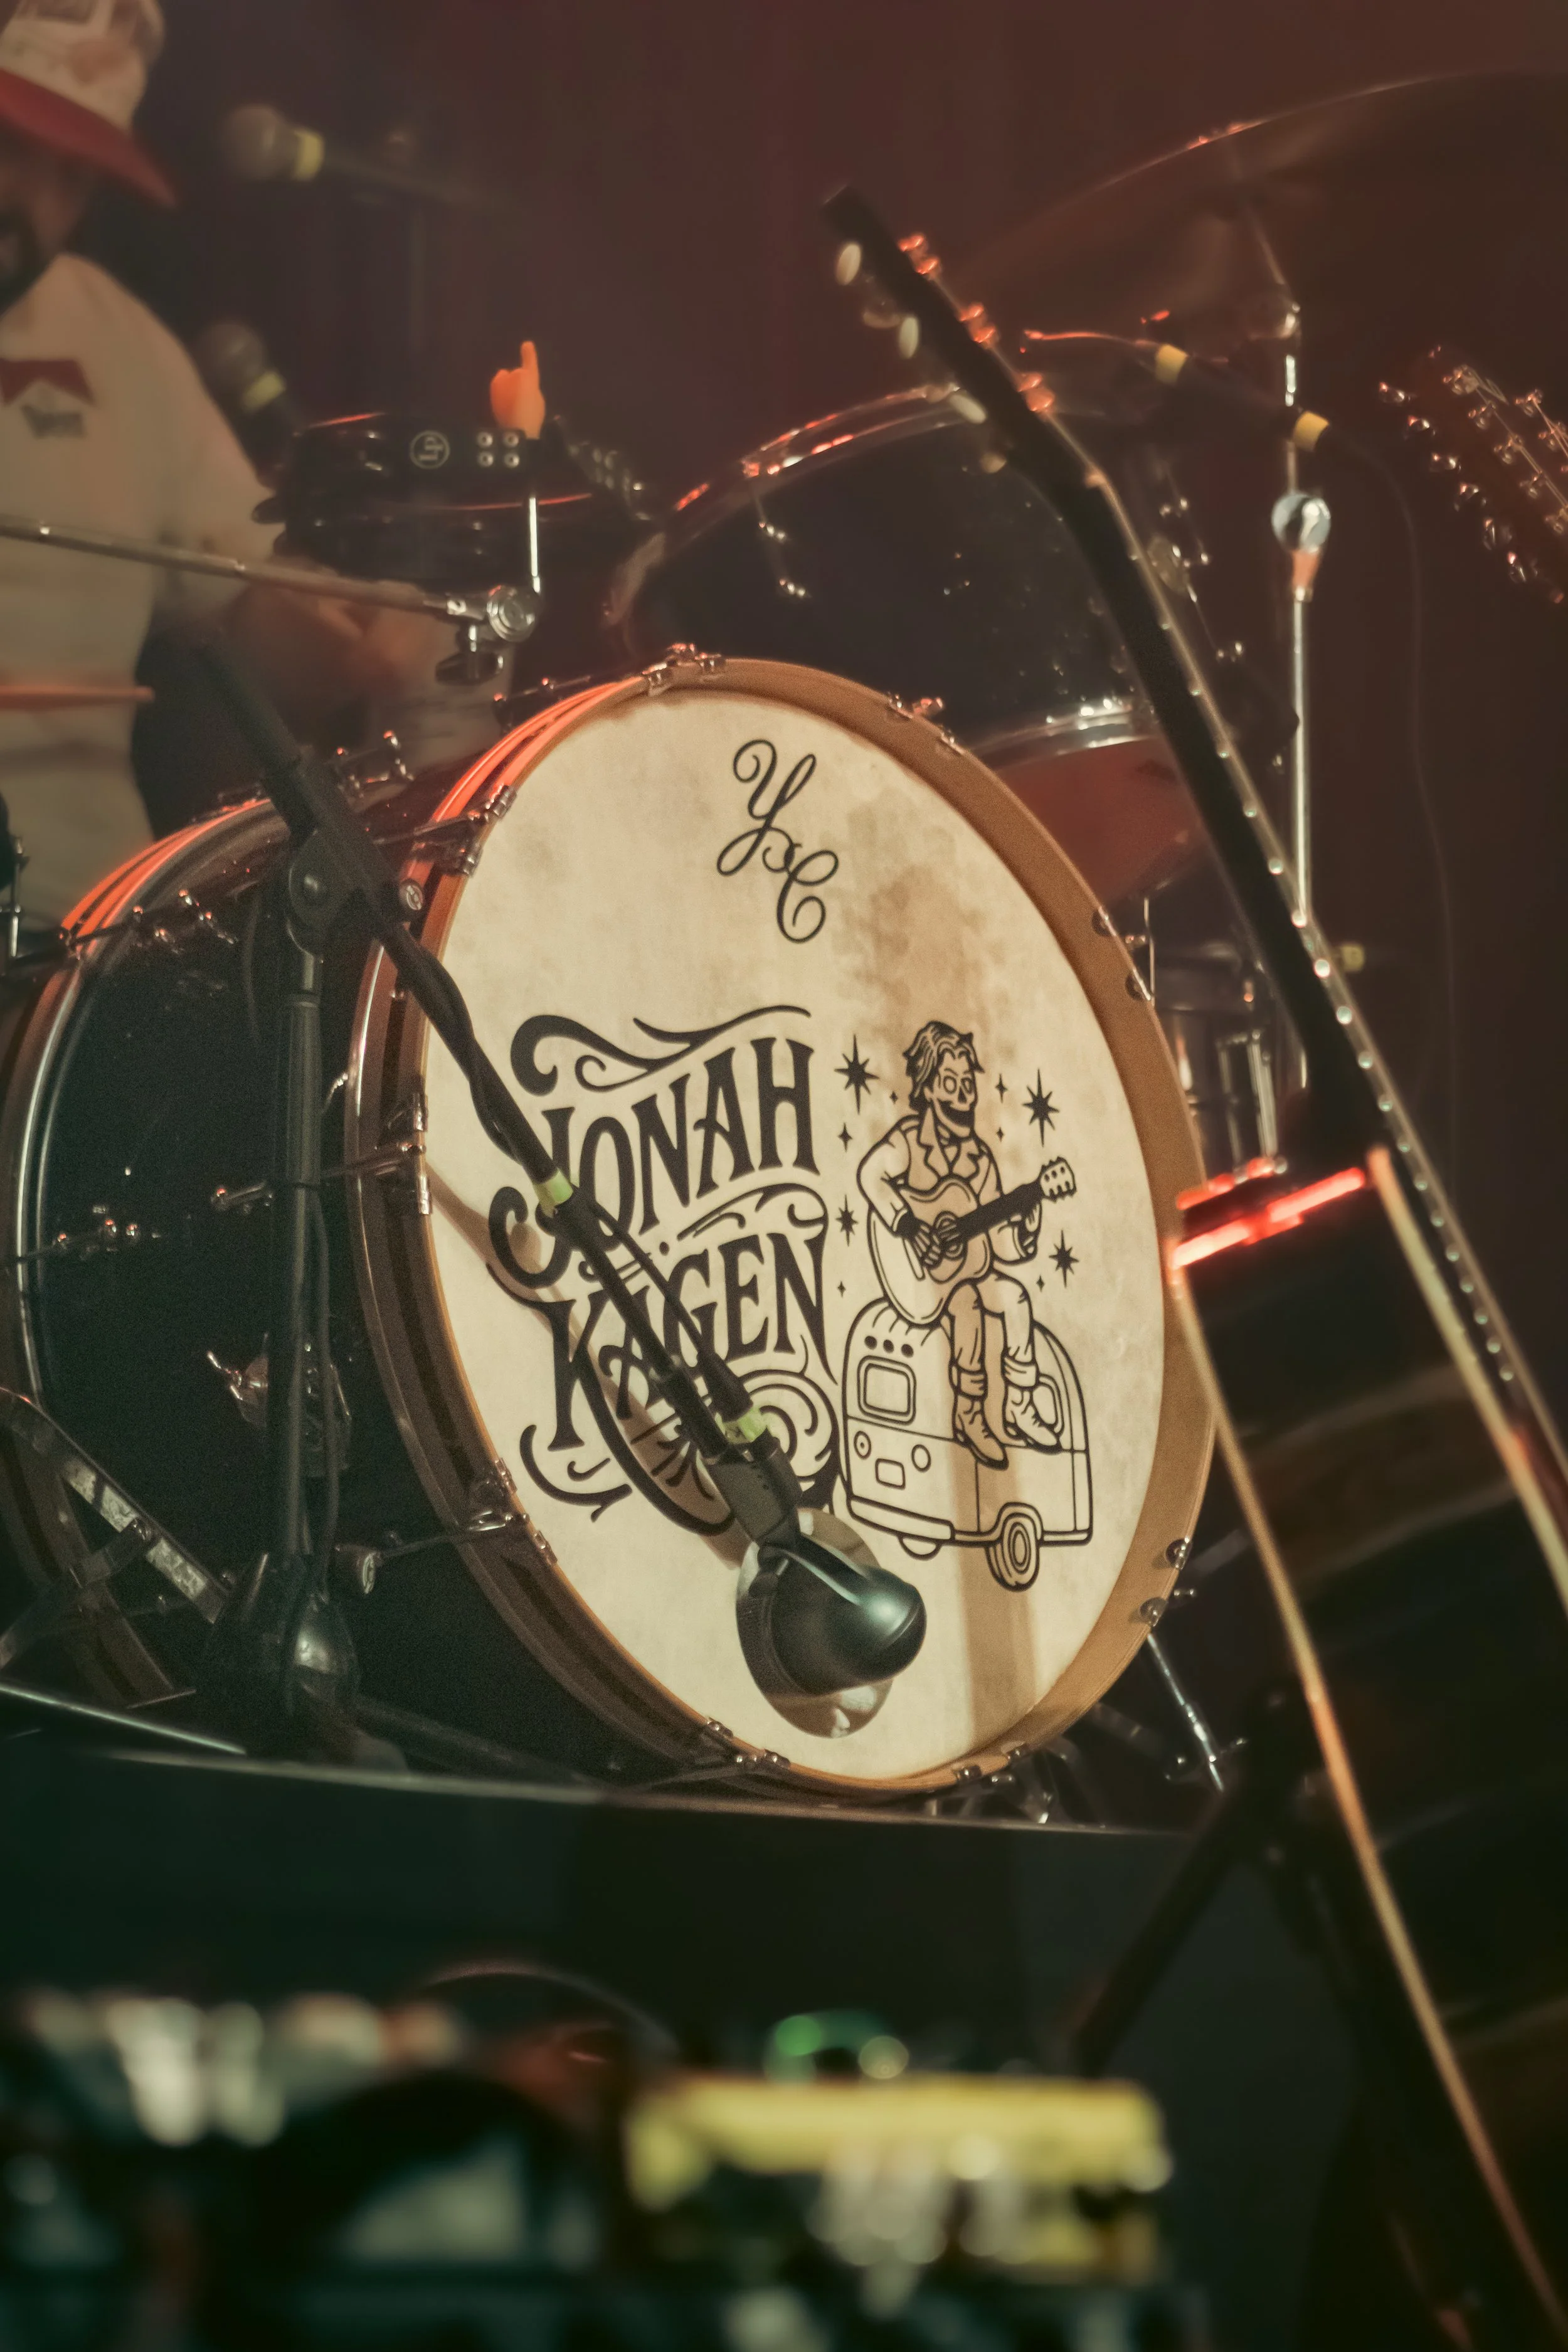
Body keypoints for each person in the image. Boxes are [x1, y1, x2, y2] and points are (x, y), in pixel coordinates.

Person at [0, 0, 435, 925]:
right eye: (8, 144)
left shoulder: (116, 343)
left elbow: (241, 610)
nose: (28, 204)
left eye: (71, 176)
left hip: (80, 944)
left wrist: (346, 635)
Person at [857, 1019, 1059, 1468]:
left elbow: (1003, 1247)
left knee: (1015, 1297)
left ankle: (1019, 1404)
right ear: (928, 1089)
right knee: (966, 1300)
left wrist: (1028, 1212)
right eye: (950, 1082)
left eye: (968, 1083)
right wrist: (909, 1226)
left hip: (967, 1271)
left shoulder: (980, 1160)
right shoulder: (909, 1141)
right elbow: (871, 1175)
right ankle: (969, 1411)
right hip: (921, 1283)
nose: (964, 1095)